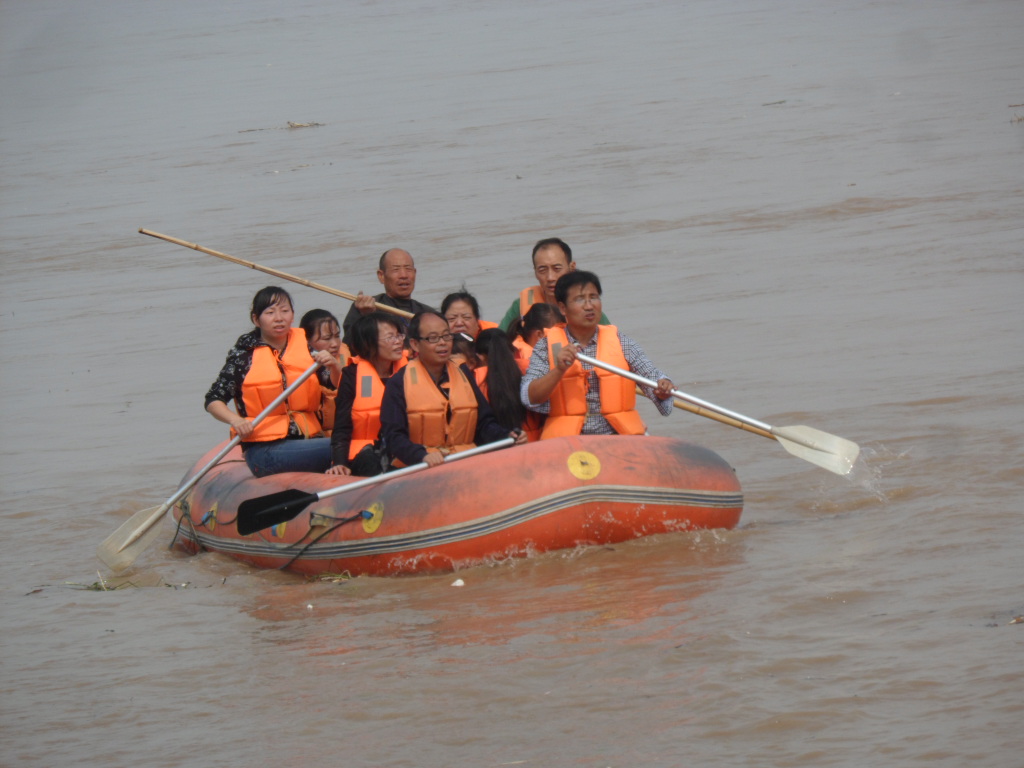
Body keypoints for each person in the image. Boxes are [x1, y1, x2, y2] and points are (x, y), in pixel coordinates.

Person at [521, 271, 674, 439]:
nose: (589, 306)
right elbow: (530, 397)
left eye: (593, 297)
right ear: (563, 308)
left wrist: (663, 388)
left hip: (616, 436)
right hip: (570, 441)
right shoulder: (546, 346)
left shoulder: (620, 341)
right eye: (579, 299)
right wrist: (559, 370)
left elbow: (651, 375)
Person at [204, 286, 338, 477]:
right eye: (270, 313)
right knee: (343, 447)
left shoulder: (305, 347)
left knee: (354, 444)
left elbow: (333, 383)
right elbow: (213, 400)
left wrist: (334, 365)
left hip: (308, 438)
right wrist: (236, 420)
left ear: (292, 315)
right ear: (256, 319)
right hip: (265, 450)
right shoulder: (243, 357)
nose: (279, 318)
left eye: (285, 311)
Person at [380, 311, 527, 469]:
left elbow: (484, 423)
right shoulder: (399, 382)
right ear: (415, 344)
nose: (442, 343)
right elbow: (394, 436)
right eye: (433, 338)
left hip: (465, 463)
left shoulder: (463, 372)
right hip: (421, 468)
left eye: (446, 336)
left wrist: (506, 436)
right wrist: (421, 455)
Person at [327, 312, 408, 476]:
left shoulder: (410, 371)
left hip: (403, 449)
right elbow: (342, 426)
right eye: (390, 337)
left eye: (399, 335)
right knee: (370, 460)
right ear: (368, 343)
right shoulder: (352, 375)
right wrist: (340, 462)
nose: (398, 341)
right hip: (365, 453)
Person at [497, 237, 608, 331]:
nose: (550, 277)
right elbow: (498, 341)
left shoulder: (587, 308)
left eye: (557, 269)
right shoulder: (521, 306)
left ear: (572, 268)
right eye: (542, 270)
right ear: (535, 272)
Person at [341, 248, 436, 345]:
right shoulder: (366, 307)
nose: (403, 275)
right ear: (381, 276)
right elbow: (347, 347)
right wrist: (366, 317)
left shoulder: (428, 313)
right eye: (396, 270)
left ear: (415, 273)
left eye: (408, 269)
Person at [474, 328, 542, 441]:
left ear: (480, 356)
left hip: (501, 444)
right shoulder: (531, 368)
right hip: (538, 441)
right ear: (512, 349)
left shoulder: (475, 379)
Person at [300, 308, 349, 436]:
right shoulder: (297, 364)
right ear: (307, 341)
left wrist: (335, 366)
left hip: (345, 431)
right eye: (327, 338)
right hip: (314, 434)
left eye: (337, 336)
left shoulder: (347, 355)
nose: (335, 344)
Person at [507, 302, 563, 373]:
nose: (562, 337)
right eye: (557, 334)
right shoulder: (527, 363)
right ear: (539, 334)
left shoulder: (514, 347)